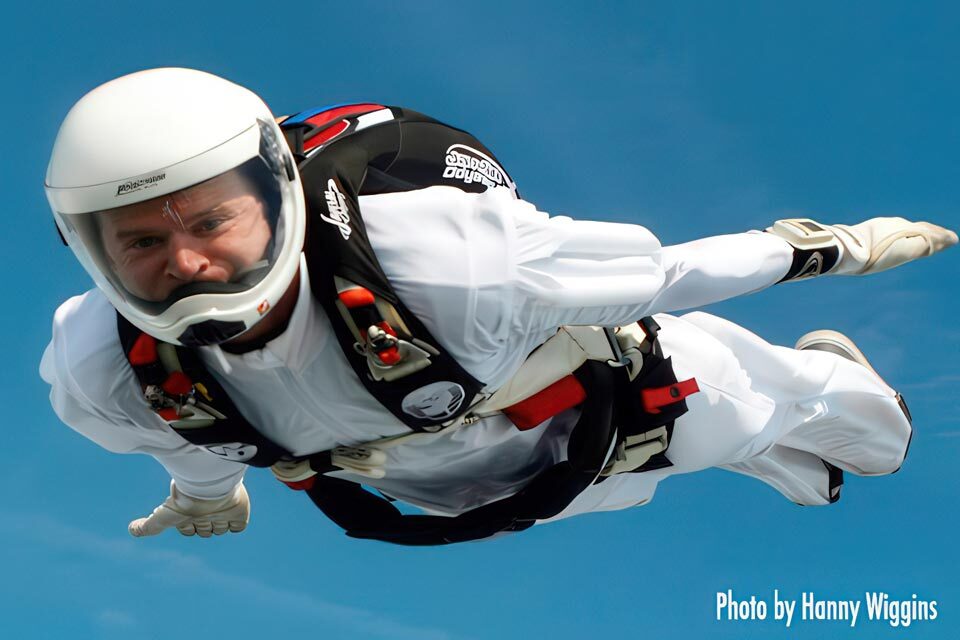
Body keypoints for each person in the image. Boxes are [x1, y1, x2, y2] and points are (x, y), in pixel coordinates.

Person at [41, 68, 957, 545]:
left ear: (277, 194)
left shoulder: (445, 259)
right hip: (483, 494)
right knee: (776, 463)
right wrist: (206, 494)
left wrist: (833, 247)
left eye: (209, 220)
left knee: (851, 433)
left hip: (656, 410)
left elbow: (672, 274)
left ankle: (841, 393)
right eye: (143, 243)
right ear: (90, 250)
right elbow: (186, 436)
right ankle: (787, 463)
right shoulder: (104, 371)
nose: (188, 262)